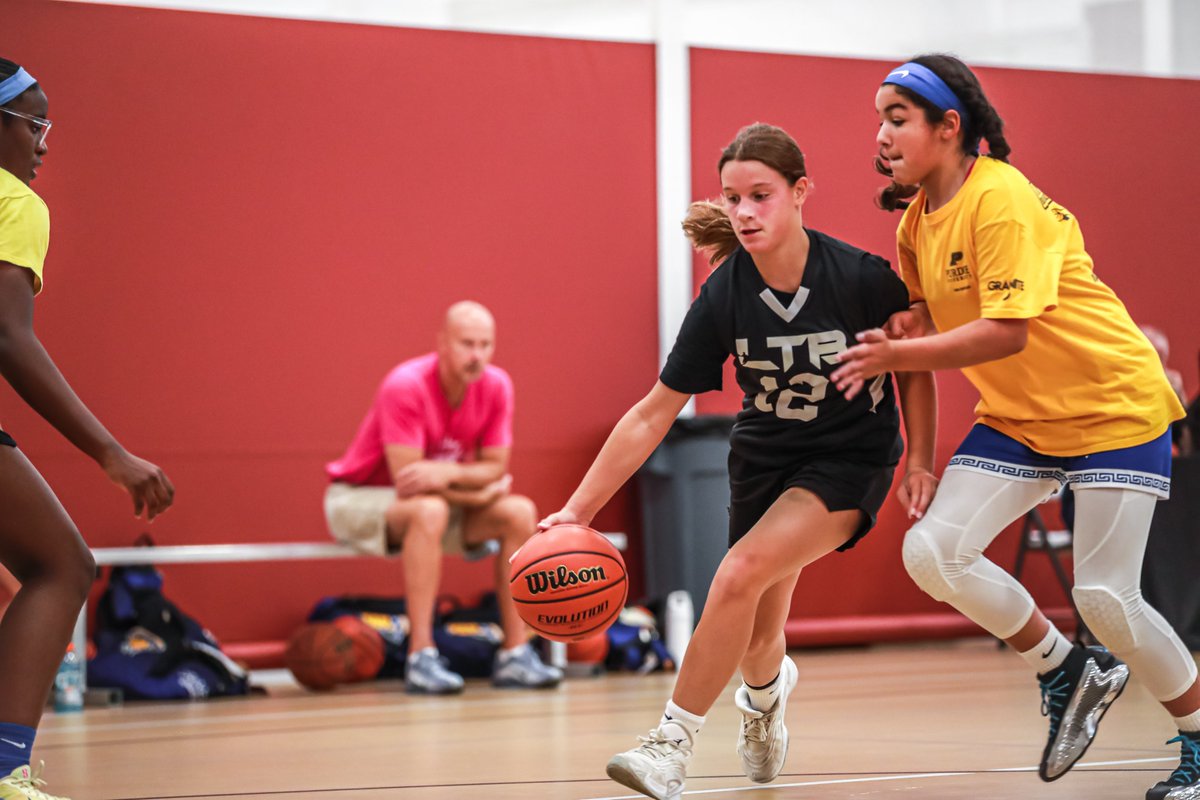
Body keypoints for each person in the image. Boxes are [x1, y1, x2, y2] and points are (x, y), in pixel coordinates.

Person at [832, 53, 1200, 800]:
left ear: (948, 126)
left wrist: (896, 351)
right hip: (1022, 419)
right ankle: (1068, 669)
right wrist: (919, 438)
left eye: (897, 118)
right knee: (932, 553)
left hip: (1113, 406)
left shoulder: (1000, 199)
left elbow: (1005, 332)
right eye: (879, 120)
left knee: (1106, 599)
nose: (881, 134)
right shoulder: (915, 225)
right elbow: (926, 329)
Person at [538, 123, 937, 800]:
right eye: (732, 198)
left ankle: (670, 745)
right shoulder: (725, 295)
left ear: (800, 192)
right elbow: (652, 414)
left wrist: (922, 457)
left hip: (849, 458)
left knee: (738, 572)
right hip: (763, 460)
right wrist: (577, 511)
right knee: (756, 635)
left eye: (761, 195)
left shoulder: (860, 277)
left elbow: (915, 366)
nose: (745, 212)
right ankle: (766, 700)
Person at [0, 58, 176, 800]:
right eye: (35, 123)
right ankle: (2, 771)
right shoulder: (13, 201)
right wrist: (111, 452)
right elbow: (8, 336)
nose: (45, 142)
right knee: (62, 565)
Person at [324, 301, 561, 694]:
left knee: (520, 511)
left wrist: (450, 473)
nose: (477, 355)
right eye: (467, 344)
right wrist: (478, 491)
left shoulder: (497, 385)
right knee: (429, 510)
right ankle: (421, 656)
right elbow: (410, 482)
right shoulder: (406, 384)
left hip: (439, 501)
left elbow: (495, 468)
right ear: (443, 344)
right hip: (359, 497)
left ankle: (515, 654)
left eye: (485, 345)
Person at [1140, 324, 1193, 456]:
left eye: (1163, 358)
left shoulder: (1172, 380)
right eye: (1157, 357)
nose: (1161, 365)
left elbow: (1185, 423)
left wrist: (1178, 394)